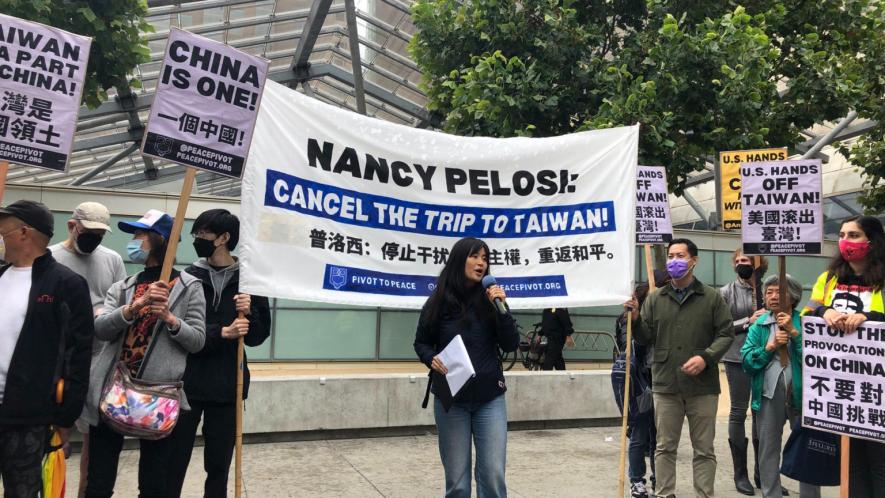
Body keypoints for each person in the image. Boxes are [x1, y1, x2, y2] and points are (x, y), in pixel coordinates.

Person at [83, 209, 206, 498]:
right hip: (112, 391)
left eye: (140, 234)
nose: (134, 240)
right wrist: (134, 307)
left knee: (153, 483)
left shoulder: (189, 288)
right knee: (98, 480)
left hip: (157, 396)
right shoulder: (123, 286)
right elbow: (101, 328)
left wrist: (170, 318)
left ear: (160, 239)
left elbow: (198, 340)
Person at [167, 209, 271, 498]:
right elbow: (178, 329)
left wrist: (250, 313)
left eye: (203, 234)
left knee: (219, 467)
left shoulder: (250, 281)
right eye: (196, 234)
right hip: (185, 384)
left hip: (228, 386)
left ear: (224, 238)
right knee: (173, 462)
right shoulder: (188, 278)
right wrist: (220, 332)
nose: (197, 239)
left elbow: (258, 337)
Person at [0, 200, 94, 498]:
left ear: (24, 232)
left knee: (24, 491)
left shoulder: (65, 284)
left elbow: (79, 354)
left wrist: (66, 416)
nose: (0, 233)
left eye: (4, 227)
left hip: (30, 415)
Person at [627, 238, 734, 498]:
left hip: (703, 386)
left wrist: (706, 357)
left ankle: (704, 493)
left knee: (704, 449)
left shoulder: (711, 297)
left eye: (681, 256)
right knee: (664, 447)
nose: (675, 261)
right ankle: (665, 493)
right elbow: (644, 337)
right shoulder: (655, 299)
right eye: (671, 256)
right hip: (665, 382)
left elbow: (726, 333)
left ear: (694, 260)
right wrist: (635, 319)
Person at [414, 237, 520, 498]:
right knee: (458, 483)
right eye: (475, 256)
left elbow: (510, 343)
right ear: (460, 259)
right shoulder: (438, 301)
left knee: (493, 477)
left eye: (485, 258)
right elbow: (421, 342)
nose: (481, 263)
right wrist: (431, 358)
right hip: (452, 401)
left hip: (489, 398)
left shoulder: (492, 300)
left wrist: (503, 310)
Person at [49, 201, 126, 498]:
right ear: (72, 226)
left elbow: (119, 306)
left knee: (94, 440)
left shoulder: (112, 260)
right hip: (60, 361)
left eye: (100, 234)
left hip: (99, 360)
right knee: (55, 436)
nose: (94, 239)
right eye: (88, 232)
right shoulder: (52, 257)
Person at [804, 215, 885, 497]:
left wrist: (868, 317)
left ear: (871, 241)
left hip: (878, 389)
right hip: (843, 387)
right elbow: (808, 312)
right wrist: (823, 311)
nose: (845, 241)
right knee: (852, 465)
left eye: (853, 235)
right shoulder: (827, 279)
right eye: (842, 235)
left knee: (880, 464)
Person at [741, 274, 820, 498]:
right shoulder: (759, 325)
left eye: (779, 291)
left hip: (803, 395)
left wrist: (795, 335)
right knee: (768, 448)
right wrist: (769, 348)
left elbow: (817, 361)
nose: (773, 296)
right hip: (768, 393)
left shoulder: (807, 323)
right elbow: (747, 362)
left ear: (793, 296)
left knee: (808, 447)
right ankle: (771, 493)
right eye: (769, 292)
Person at [719, 250, 769, 495]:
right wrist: (749, 320)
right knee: (739, 412)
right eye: (737, 261)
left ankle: (765, 473)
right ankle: (741, 474)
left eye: (746, 261)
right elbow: (721, 326)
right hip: (737, 357)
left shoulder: (769, 287)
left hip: (768, 357)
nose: (741, 264)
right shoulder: (726, 291)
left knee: (763, 413)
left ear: (758, 263)